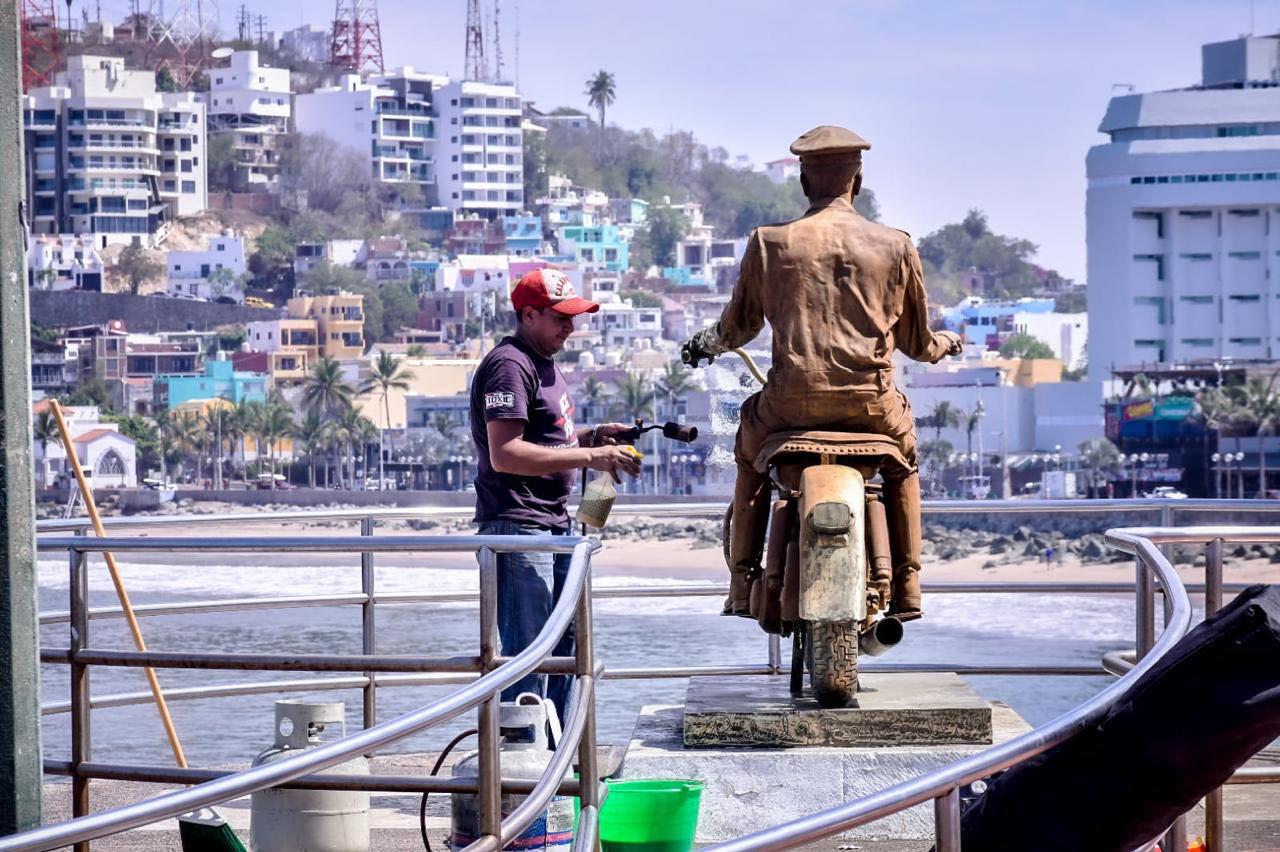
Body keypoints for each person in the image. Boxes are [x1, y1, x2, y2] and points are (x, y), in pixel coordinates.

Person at [682, 125, 963, 622]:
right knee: (904, 463)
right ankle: (908, 583)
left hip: (788, 407)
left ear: (804, 184)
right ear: (857, 181)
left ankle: (742, 581)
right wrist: (946, 344)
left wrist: (702, 346)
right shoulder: (895, 246)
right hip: (872, 410)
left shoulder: (769, 243)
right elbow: (919, 344)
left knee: (749, 457)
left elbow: (737, 327)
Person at [469, 268, 642, 723]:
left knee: (566, 648)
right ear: (528, 315)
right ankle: (524, 765)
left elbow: (548, 439)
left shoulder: (542, 363)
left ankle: (561, 756)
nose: (570, 327)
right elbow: (505, 453)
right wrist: (591, 457)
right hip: (518, 526)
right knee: (529, 651)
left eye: (573, 317)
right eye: (559, 318)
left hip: (553, 524)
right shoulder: (510, 365)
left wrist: (593, 436)